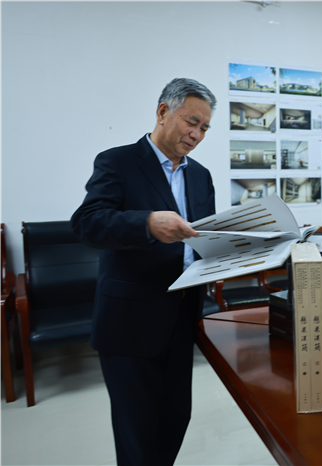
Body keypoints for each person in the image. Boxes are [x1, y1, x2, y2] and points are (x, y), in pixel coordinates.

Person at [71, 78, 217, 465]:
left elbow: (205, 237)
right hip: (130, 321)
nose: (197, 134)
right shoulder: (117, 161)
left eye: (205, 127)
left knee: (174, 419)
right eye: (192, 122)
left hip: (182, 316)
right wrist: (146, 223)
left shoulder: (200, 175)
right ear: (163, 112)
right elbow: (87, 223)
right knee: (137, 432)